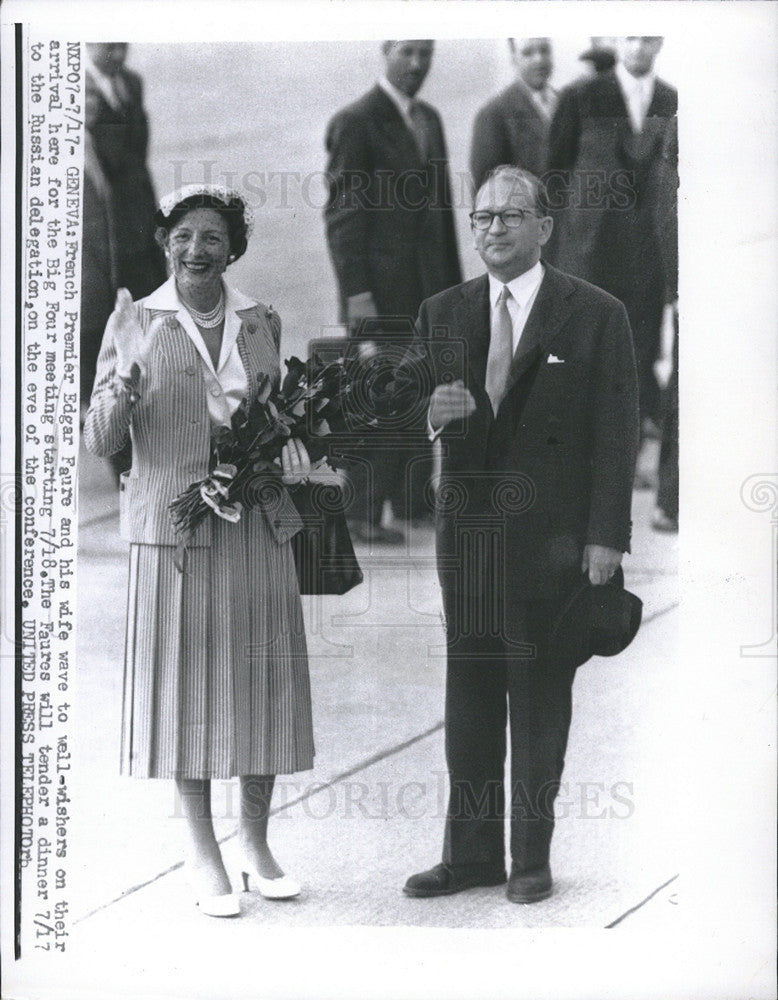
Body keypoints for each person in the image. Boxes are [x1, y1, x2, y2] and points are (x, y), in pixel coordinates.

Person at [403, 166, 639, 903]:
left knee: (538, 694)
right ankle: (471, 855)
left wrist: (607, 538)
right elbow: (413, 410)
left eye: (511, 215)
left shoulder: (596, 314)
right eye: (482, 217)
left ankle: (530, 857)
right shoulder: (442, 311)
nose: (494, 228)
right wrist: (432, 414)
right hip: (468, 537)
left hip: (555, 541)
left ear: (545, 227)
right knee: (470, 692)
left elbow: (616, 433)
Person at [84, 185, 315, 918]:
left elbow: (278, 416)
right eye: (183, 235)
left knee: (263, 686)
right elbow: (101, 440)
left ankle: (256, 842)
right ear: (165, 242)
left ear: (232, 248)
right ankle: (201, 849)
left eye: (212, 237)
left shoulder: (259, 320)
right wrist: (122, 382)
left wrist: (299, 446)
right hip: (174, 530)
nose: (196, 250)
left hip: (254, 523)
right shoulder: (139, 322)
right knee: (187, 690)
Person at [324, 39, 462, 543]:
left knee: (418, 389)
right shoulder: (356, 122)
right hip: (379, 292)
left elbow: (441, 216)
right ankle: (360, 513)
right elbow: (343, 222)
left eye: (427, 52)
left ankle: (409, 501)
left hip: (426, 290)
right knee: (376, 393)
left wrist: (452, 292)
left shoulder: (428, 120)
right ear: (385, 50)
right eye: (408, 51)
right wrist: (360, 304)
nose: (418, 63)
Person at [546, 36, 676, 448]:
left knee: (636, 369)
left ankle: (622, 470)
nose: (638, 48)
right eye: (631, 37)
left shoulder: (672, 100)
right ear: (620, 41)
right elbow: (553, 180)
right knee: (580, 365)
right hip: (587, 259)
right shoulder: (581, 96)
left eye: (648, 39)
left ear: (660, 42)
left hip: (647, 264)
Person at [470, 38, 556, 192]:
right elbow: (486, 194)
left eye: (545, 50)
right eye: (528, 53)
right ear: (514, 58)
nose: (539, 60)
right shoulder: (494, 114)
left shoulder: (566, 103)